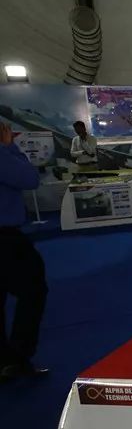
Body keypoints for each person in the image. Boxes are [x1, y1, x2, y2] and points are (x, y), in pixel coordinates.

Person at [0, 123, 48, 380]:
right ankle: (17, 357)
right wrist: (9, 148)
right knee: (34, 289)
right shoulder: (3, 154)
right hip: (5, 238)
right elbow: (30, 179)